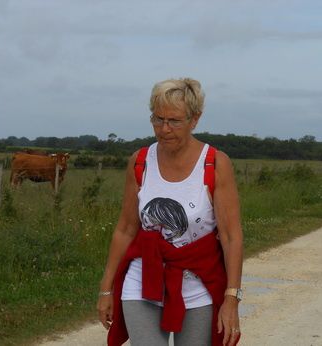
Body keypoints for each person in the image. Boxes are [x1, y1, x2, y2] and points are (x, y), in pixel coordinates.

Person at [97, 78, 243, 346]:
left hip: (197, 285)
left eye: (174, 121)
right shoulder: (140, 161)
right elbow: (126, 229)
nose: (164, 129)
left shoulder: (214, 163)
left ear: (194, 119)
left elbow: (231, 237)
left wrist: (231, 298)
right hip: (142, 282)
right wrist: (106, 289)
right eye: (157, 119)